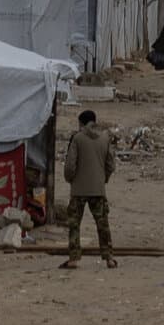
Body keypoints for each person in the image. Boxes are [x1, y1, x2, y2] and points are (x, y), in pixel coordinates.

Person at [61, 108, 118, 270]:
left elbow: (70, 165)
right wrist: (103, 179)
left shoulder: (77, 139)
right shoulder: (105, 138)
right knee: (102, 224)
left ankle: (73, 258)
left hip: (79, 189)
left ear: (82, 123)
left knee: (74, 224)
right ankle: (109, 258)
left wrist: (70, 179)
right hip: (98, 189)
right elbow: (110, 165)